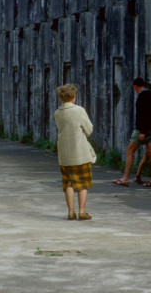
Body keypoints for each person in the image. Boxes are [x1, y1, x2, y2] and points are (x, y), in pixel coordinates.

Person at [53, 83, 96, 220]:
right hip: (80, 153)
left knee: (68, 183)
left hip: (65, 154)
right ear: (73, 96)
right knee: (83, 182)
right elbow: (88, 130)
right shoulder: (79, 111)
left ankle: (71, 212)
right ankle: (82, 211)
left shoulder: (57, 113)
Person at [112, 78, 151, 187]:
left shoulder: (142, 96)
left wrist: (142, 132)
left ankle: (125, 178)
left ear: (135, 86)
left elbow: (142, 115)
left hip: (142, 129)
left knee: (130, 150)